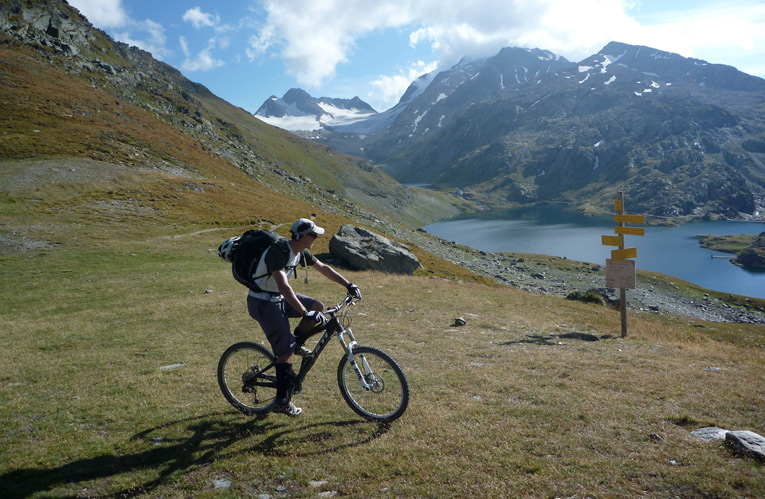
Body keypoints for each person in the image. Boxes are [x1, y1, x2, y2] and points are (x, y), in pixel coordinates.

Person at [247, 218, 362, 416]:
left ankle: (297, 343)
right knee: (285, 351)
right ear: (305, 236)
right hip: (263, 302)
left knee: (317, 306)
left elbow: (324, 268)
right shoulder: (279, 252)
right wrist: (303, 312)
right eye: (315, 235)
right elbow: (284, 286)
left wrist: (348, 285)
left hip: (278, 298)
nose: (317, 239)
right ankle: (282, 402)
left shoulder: (300, 252)